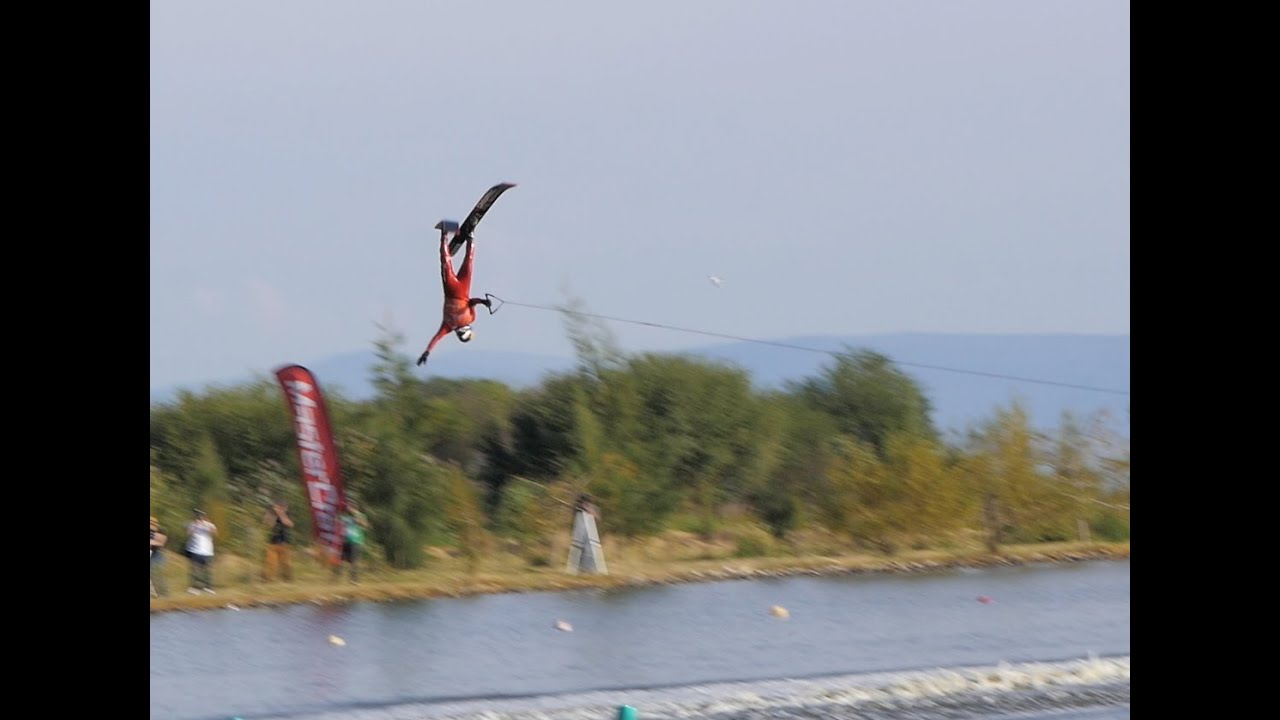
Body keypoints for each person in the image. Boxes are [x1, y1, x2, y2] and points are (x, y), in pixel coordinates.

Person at [417, 182, 516, 367]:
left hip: (456, 289)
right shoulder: (457, 324)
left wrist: (427, 352)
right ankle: (456, 236)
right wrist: (484, 302)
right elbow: (472, 303)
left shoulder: (449, 326)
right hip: (460, 289)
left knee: (464, 262)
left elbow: (435, 339)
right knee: (455, 262)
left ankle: (454, 236)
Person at [334, 500, 369, 583]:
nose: (349, 509)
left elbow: (365, 525)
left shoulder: (361, 516)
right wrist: (337, 516)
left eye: (350, 507)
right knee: (341, 560)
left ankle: (354, 579)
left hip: (356, 541)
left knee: (354, 561)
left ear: (355, 508)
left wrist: (358, 520)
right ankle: (336, 578)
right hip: (346, 541)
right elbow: (338, 519)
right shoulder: (347, 517)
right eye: (348, 507)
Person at [185, 509, 217, 594]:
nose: (199, 517)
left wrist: (206, 525)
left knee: (208, 570)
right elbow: (188, 533)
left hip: (207, 551)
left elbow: (215, 533)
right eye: (198, 516)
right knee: (195, 569)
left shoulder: (210, 525)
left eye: (201, 516)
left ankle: (208, 587)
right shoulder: (192, 524)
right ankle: (195, 587)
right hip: (195, 550)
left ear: (205, 516)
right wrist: (196, 525)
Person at [262, 500, 294, 582]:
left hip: (284, 542)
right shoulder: (272, 514)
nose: (281, 508)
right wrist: (272, 513)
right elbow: (268, 524)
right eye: (279, 507)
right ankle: (269, 579)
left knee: (286, 563)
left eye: (283, 507)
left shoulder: (287, 514)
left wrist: (281, 513)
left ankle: (288, 579)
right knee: (271, 562)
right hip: (273, 542)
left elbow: (289, 524)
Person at [150, 516, 168, 597]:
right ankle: (154, 593)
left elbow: (162, 542)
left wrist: (153, 541)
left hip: (157, 554)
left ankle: (163, 593)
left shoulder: (161, 531)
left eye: (152, 523)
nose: (151, 525)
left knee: (157, 573)